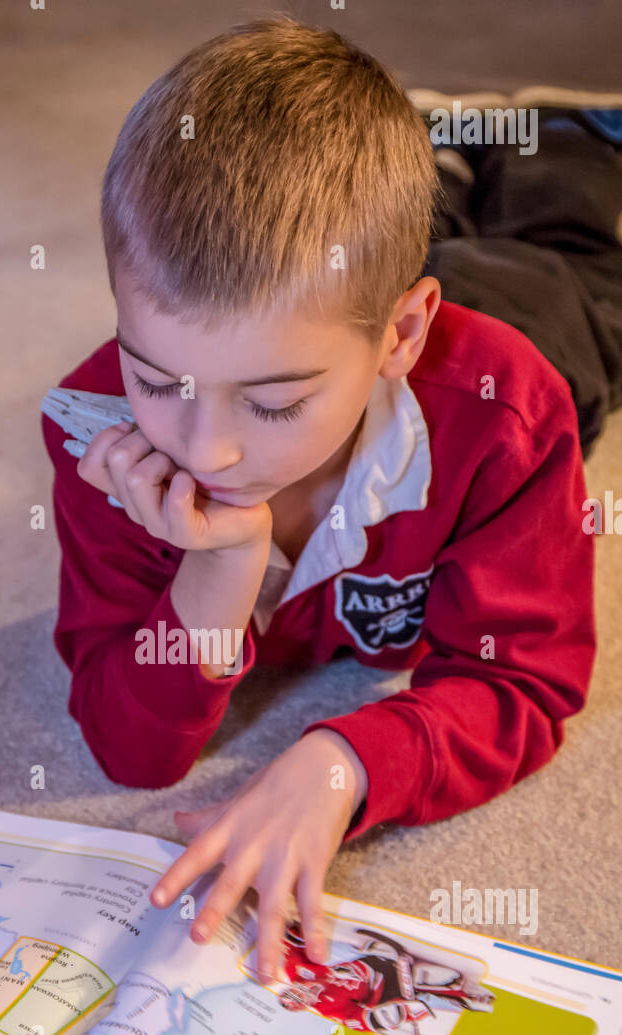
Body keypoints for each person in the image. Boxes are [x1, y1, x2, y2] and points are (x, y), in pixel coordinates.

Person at [43, 19, 595, 984]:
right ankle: (442, 168)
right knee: (432, 242)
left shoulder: (507, 415)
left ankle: (538, 135)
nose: (204, 447)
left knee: (569, 264)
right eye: (154, 375)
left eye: (273, 401)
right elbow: (132, 751)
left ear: (402, 333)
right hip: (372, 308)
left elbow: (526, 683)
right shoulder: (99, 435)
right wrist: (218, 564)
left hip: (510, 330)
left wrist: (345, 760)